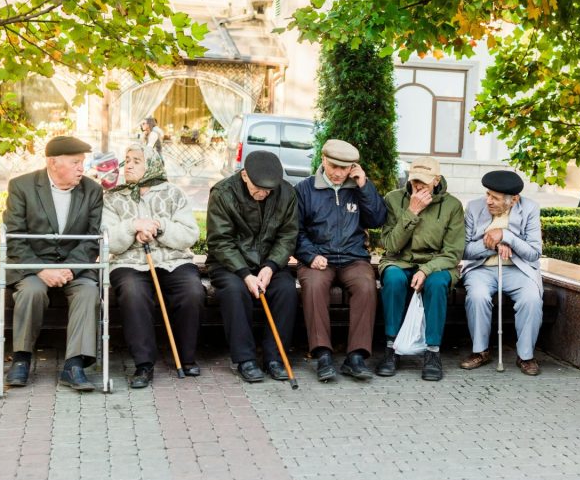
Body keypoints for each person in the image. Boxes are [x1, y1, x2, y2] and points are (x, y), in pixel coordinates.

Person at [2, 136, 103, 391]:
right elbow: (14, 238)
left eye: (83, 162)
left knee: (89, 291)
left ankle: (74, 365)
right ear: (53, 162)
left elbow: (92, 240)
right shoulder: (22, 186)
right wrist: (41, 269)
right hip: (33, 266)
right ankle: (22, 359)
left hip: (75, 266)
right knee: (32, 291)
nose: (82, 168)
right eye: (76, 162)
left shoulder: (92, 190)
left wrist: (69, 268)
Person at [102, 143, 205, 389]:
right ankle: (144, 364)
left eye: (137, 161)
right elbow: (107, 239)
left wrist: (159, 227)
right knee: (133, 293)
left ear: (152, 165)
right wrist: (133, 227)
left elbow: (190, 234)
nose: (129, 165)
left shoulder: (173, 193)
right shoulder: (114, 197)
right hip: (130, 262)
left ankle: (185, 356)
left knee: (192, 290)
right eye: (127, 160)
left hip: (172, 260)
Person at [295, 139, 387, 382]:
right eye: (333, 166)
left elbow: (377, 219)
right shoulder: (304, 189)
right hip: (317, 258)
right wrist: (310, 255)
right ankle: (323, 354)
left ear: (353, 167)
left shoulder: (359, 188)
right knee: (314, 286)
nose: (338, 173)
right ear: (323, 160)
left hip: (353, 258)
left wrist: (364, 185)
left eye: (344, 168)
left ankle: (356, 356)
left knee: (366, 285)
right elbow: (295, 230)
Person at [206, 150, 298, 382]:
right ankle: (244, 359)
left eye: (269, 190)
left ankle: (275, 357)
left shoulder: (286, 192)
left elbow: (288, 236)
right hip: (230, 265)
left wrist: (270, 266)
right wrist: (245, 274)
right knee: (235, 291)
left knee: (286, 290)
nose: (264, 194)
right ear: (245, 175)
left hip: (269, 264)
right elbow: (220, 241)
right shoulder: (223, 192)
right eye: (258, 188)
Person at [377, 156, 465, 381]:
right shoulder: (394, 199)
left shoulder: (452, 206)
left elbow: (453, 253)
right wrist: (412, 212)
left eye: (423, 183)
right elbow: (390, 245)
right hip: (400, 260)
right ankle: (391, 347)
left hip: (437, 263)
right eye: (414, 180)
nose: (417, 186)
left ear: (436, 180)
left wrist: (427, 269)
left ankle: (432, 352)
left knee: (436, 284)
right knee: (394, 279)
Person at [461, 170, 544, 375]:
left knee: (531, 299)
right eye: (488, 194)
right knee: (477, 297)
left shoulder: (530, 208)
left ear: (513, 200)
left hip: (518, 268)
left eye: (495, 198)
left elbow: (534, 253)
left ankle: (526, 356)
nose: (488, 200)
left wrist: (507, 236)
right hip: (481, 268)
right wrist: (493, 244)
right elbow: (463, 250)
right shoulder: (473, 207)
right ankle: (480, 351)